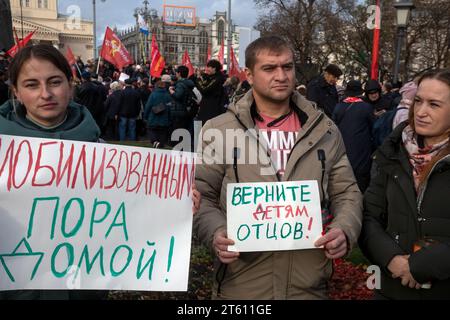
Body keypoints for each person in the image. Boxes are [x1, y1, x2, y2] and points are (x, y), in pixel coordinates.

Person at [0, 44, 201, 300]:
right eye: (31, 85)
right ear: (16, 90)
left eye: (54, 82)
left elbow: (132, 217)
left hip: (86, 289)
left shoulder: (102, 153)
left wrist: (176, 204)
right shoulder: (3, 151)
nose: (45, 94)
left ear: (70, 85)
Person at [194, 36, 363, 300]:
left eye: (288, 67)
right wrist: (216, 232)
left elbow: (347, 192)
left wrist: (344, 229)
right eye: (270, 68)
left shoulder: (325, 129)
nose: (281, 76)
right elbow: (201, 194)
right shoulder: (218, 130)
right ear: (249, 75)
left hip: (308, 284)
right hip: (242, 286)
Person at [359, 69, 450, 300]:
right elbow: (369, 215)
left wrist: (421, 266)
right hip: (391, 290)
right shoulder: (393, 151)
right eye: (418, 101)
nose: (421, 112)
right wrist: (392, 259)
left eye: (434, 105)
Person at [333, 80, 375, 192]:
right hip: (362, 151)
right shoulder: (366, 108)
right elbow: (373, 128)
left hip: (343, 149)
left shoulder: (338, 107)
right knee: (360, 182)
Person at [195, 59, 226, 125]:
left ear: (214, 68)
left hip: (212, 109)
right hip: (206, 108)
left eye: (208, 67)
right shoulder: (209, 77)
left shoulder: (218, 79)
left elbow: (204, 90)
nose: (206, 69)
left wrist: (198, 79)